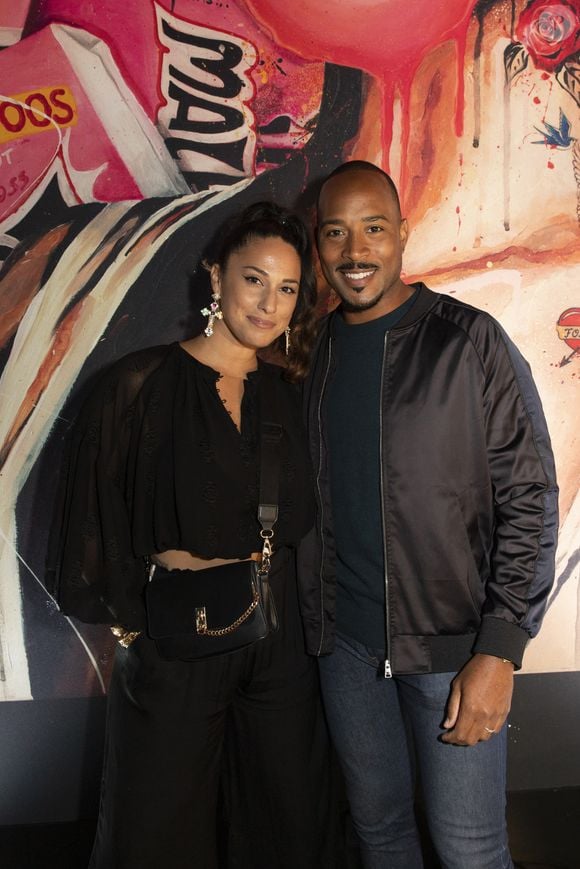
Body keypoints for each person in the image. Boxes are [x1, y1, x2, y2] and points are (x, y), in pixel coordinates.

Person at [48, 202, 335, 868]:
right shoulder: (137, 387)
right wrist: (133, 624)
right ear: (216, 277)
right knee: (155, 833)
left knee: (282, 824)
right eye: (254, 279)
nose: (269, 302)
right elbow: (93, 522)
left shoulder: (291, 398)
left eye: (287, 287)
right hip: (179, 640)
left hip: (279, 646)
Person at [297, 161, 559, 869]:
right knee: (380, 834)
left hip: (452, 651)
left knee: (470, 849)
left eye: (373, 228)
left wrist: (499, 648)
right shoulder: (313, 351)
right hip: (346, 650)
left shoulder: (468, 341)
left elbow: (530, 496)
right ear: (318, 246)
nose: (355, 252)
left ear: (404, 232)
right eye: (336, 233)